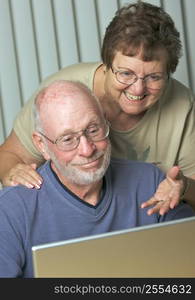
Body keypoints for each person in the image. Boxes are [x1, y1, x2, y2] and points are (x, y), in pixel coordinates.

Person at [0, 1, 195, 215]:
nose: (138, 89)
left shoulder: (181, 104)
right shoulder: (62, 94)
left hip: (145, 223)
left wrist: (183, 187)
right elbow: (9, 156)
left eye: (154, 77)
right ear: (106, 64)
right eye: (126, 73)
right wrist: (13, 171)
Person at [0, 80, 194, 278]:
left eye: (93, 130)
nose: (87, 150)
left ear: (105, 123)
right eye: (68, 140)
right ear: (41, 145)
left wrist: (186, 187)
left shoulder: (150, 182)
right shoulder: (10, 210)